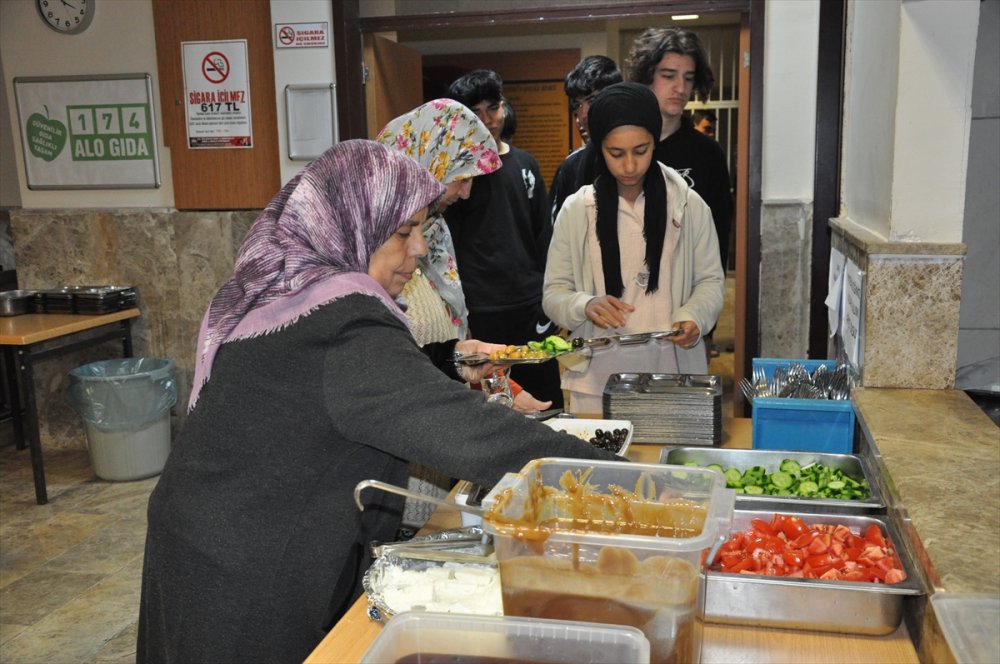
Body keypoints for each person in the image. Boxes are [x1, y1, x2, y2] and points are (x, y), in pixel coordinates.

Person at [136, 141, 617, 664]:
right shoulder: (343, 320)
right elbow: (466, 431)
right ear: (351, 225)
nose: (418, 251)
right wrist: (617, 477)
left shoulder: (290, 295)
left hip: (215, 531)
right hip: (243, 562)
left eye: (423, 230)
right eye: (402, 232)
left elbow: (357, 393)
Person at [376, 99, 550, 531]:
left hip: (435, 463)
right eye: (462, 177)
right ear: (426, 162)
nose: (468, 191)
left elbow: (445, 343)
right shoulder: (373, 249)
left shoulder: (432, 234)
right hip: (394, 479)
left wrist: (497, 385)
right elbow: (394, 367)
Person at [542, 83, 725, 415]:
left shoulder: (688, 205)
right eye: (616, 153)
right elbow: (554, 294)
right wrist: (584, 305)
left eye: (640, 150)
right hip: (595, 382)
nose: (629, 166)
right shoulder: (577, 209)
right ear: (600, 149)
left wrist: (693, 316)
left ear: (655, 142)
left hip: (673, 374)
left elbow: (711, 282)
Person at [444, 69, 563, 408]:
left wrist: (548, 301)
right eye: (474, 113)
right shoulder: (457, 177)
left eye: (493, 108)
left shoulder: (525, 163)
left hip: (529, 306)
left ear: (504, 107)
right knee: (497, 406)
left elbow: (544, 237)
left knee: (546, 401)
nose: (487, 120)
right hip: (480, 309)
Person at [627, 27, 733, 357]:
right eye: (668, 75)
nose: (680, 88)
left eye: (688, 78)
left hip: (683, 315)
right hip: (624, 312)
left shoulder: (707, 154)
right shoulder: (622, 147)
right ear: (646, 77)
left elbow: (718, 240)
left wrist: (705, 318)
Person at [549, 55, 623, 222]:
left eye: (592, 100)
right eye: (577, 105)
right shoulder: (572, 166)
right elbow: (558, 232)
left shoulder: (639, 155)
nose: (583, 115)